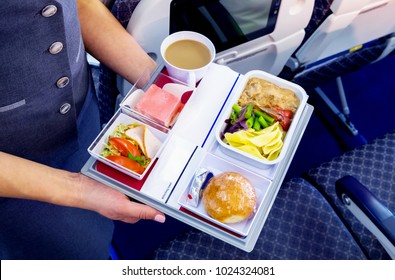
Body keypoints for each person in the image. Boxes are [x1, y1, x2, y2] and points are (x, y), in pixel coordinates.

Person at [0, 0, 165, 259]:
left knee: (97, 237)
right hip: (14, 171)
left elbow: (82, 5)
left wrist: (159, 86)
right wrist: (78, 189)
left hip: (82, 118)